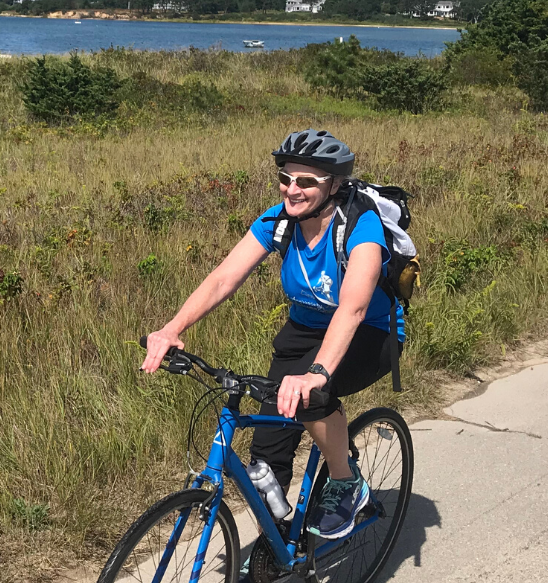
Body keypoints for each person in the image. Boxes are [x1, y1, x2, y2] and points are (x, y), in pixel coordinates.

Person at [140, 129, 404, 540]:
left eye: (306, 181)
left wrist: (316, 373)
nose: (292, 189)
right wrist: (172, 328)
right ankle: (279, 545)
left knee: (311, 398)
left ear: (334, 185)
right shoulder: (279, 221)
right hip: (304, 328)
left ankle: (346, 482)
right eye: (285, 178)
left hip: (369, 333)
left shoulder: (360, 227)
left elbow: (352, 309)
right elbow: (223, 278)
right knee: (266, 453)